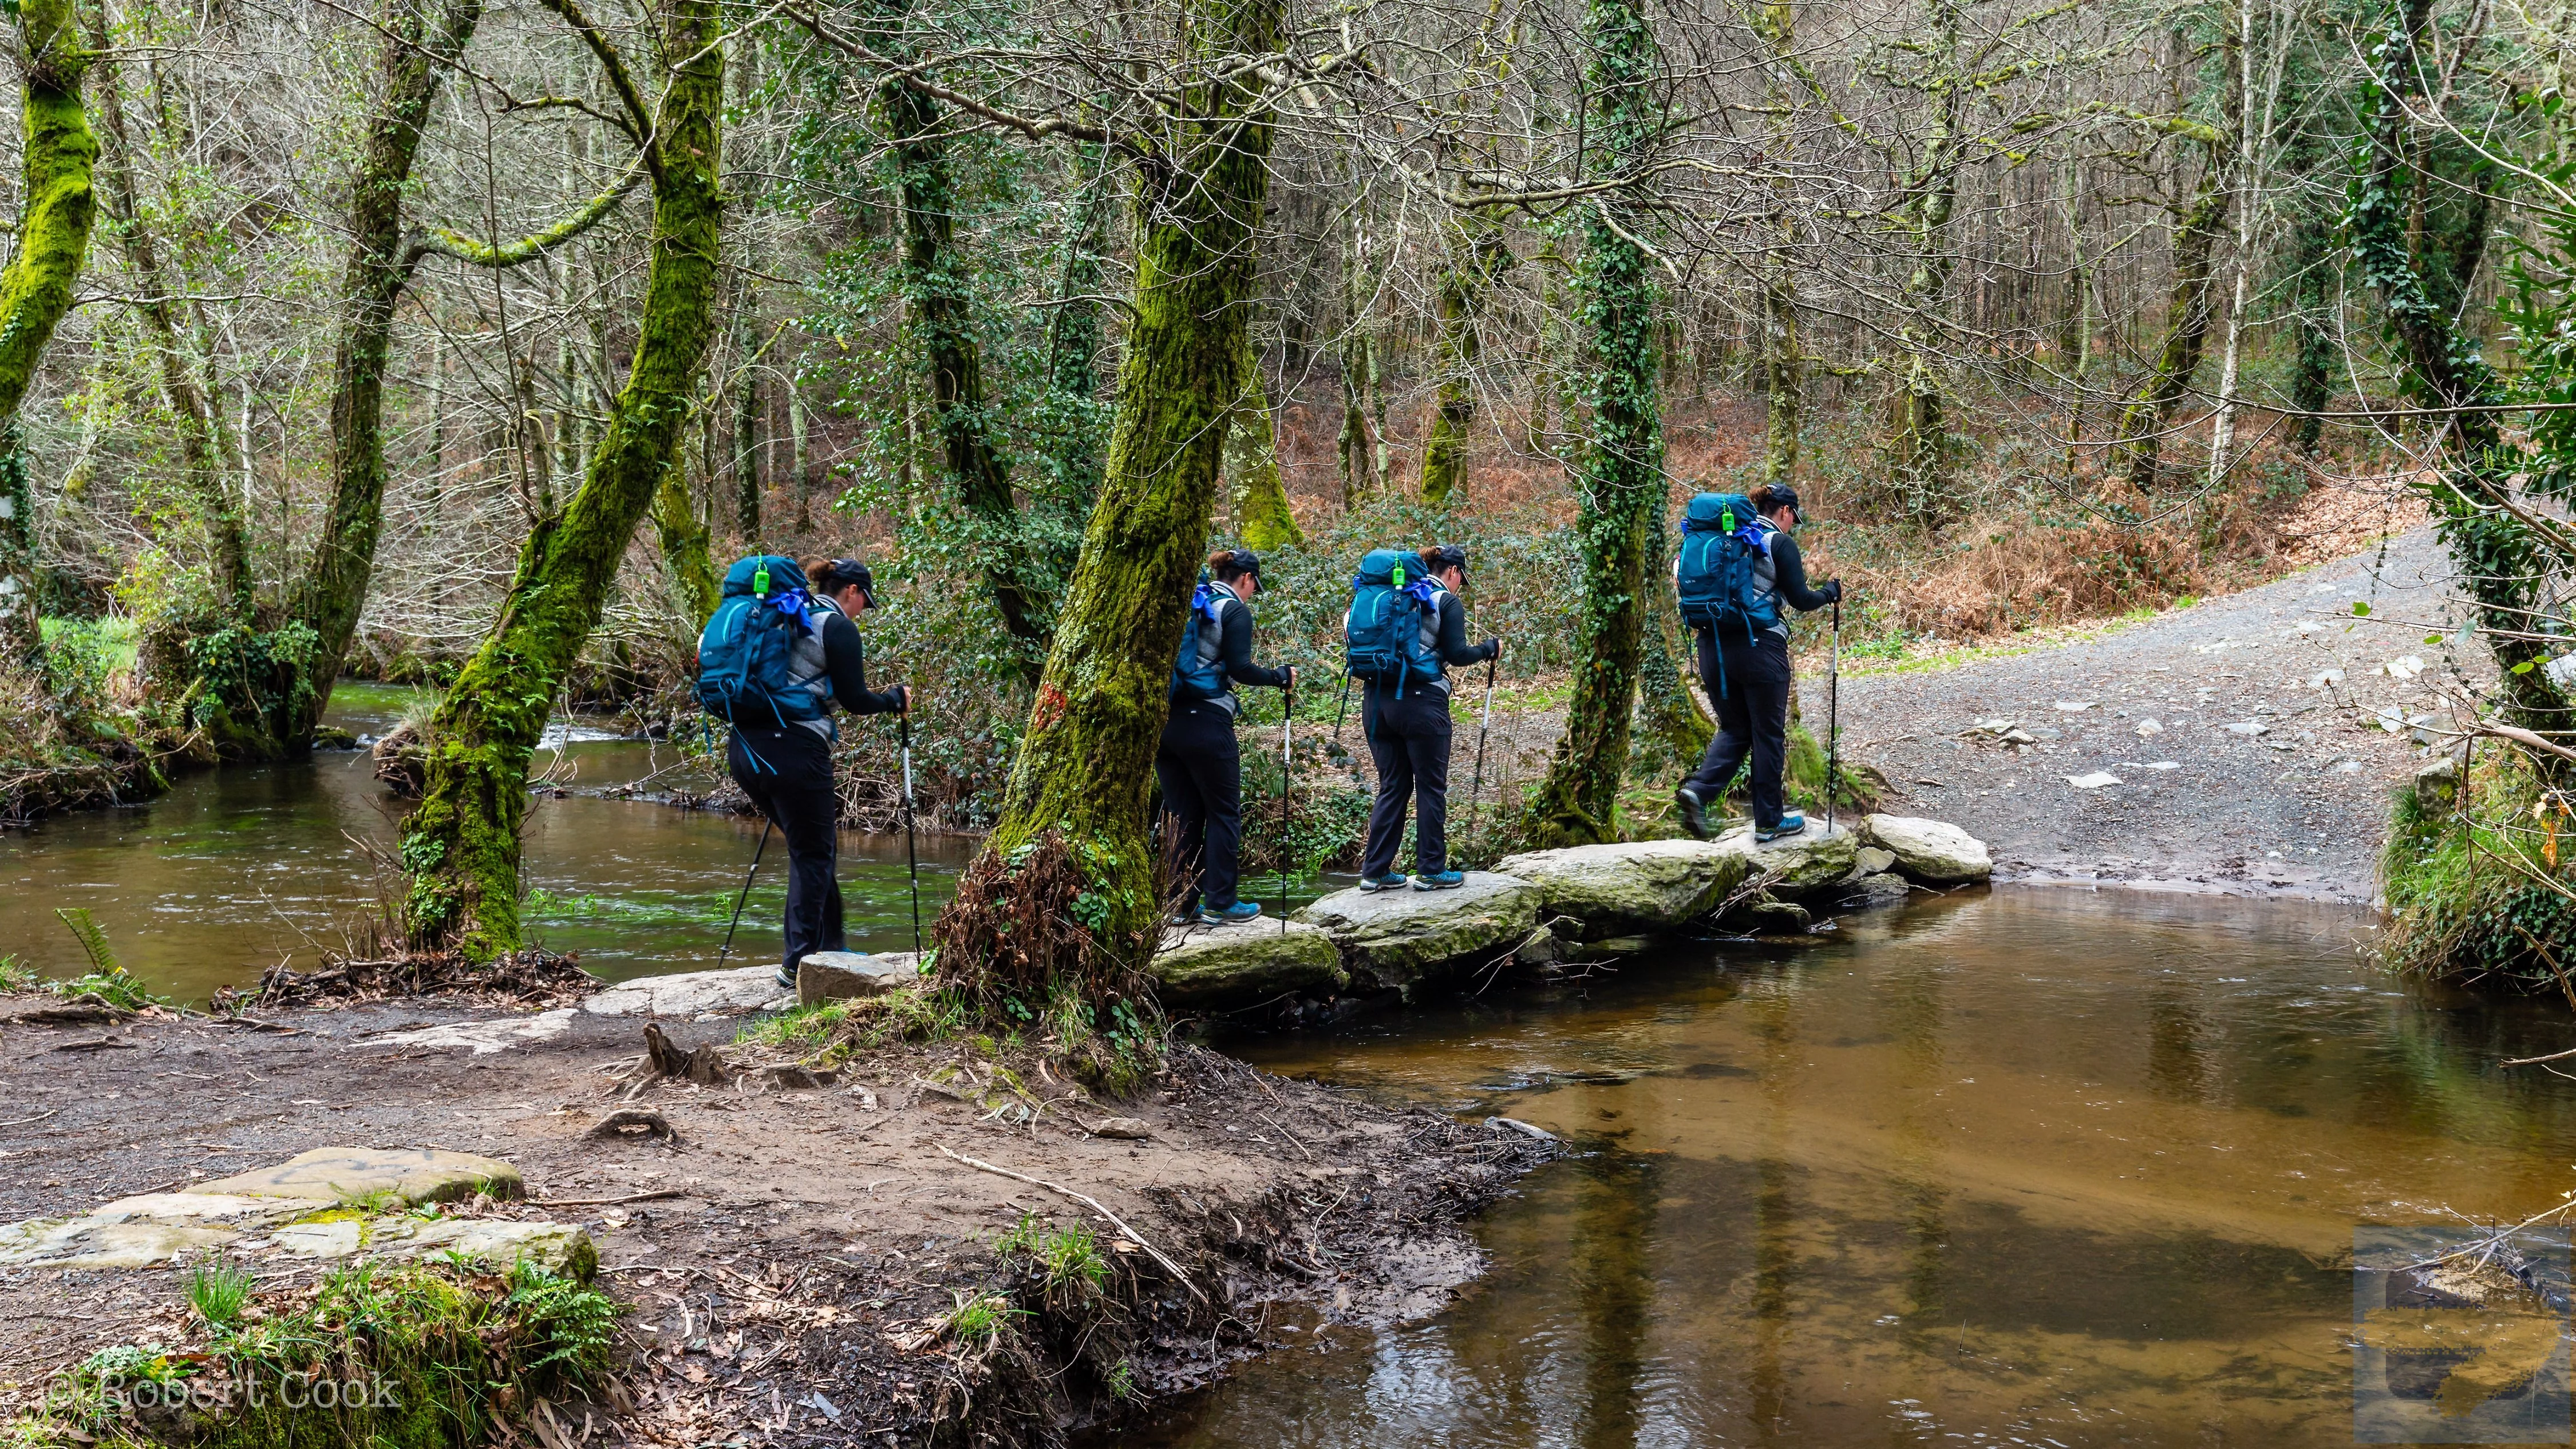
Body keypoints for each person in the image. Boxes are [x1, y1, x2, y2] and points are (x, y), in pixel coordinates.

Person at [705, 556, 910, 987]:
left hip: (745, 750)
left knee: (813, 850)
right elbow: (855, 699)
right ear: (850, 591)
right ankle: (797, 964)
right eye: (863, 602)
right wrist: (893, 699)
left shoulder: (781, 613)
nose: (861, 612)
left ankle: (830, 947)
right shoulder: (835, 626)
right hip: (793, 750)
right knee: (815, 853)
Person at [1673, 484, 1840, 842]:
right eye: (1794, 517)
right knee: (1767, 733)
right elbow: (1800, 599)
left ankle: (1699, 792)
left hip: (1712, 646)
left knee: (1735, 728)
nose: (1794, 524)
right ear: (1784, 511)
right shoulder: (1776, 542)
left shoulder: (1713, 539)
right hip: (1759, 647)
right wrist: (1830, 593)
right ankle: (1769, 821)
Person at [1159, 548, 1293, 925]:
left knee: (1182, 815)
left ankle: (1179, 906)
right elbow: (1242, 669)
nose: (1252, 593)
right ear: (1246, 579)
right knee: (1223, 813)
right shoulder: (1233, 610)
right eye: (1254, 586)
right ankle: (1222, 902)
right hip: (1206, 724)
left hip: (1167, 724)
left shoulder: (1193, 601)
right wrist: (1279, 676)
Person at [1354, 543, 1498, 891]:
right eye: (1462, 578)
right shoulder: (1444, 601)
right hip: (1421, 704)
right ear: (1453, 571)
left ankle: (1375, 873)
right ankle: (1431, 870)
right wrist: (1489, 649)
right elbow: (1458, 654)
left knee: (1393, 786)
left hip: (1375, 703)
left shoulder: (1378, 595)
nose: (1460, 584)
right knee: (1431, 787)